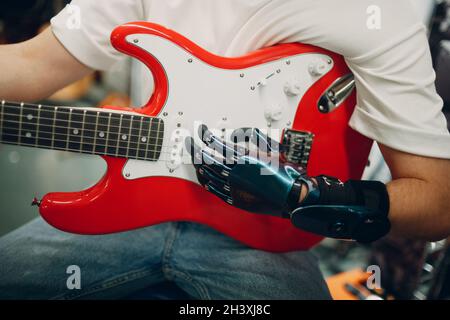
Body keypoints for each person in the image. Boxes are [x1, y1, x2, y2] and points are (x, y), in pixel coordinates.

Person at [0, 0, 449, 300]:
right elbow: (35, 63)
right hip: (134, 209)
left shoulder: (376, 15)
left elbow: (438, 201)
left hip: (266, 244)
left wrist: (307, 197)